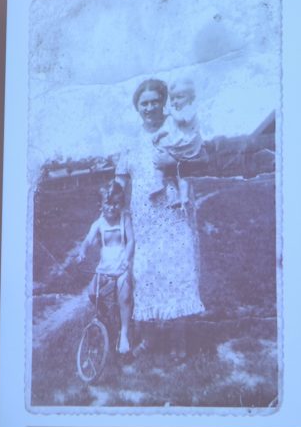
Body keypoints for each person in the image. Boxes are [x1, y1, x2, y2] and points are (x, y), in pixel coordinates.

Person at [117, 79, 205, 341]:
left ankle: (180, 341)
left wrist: (174, 160)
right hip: (144, 215)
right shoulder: (130, 140)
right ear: (137, 107)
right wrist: (112, 204)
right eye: (144, 103)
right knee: (146, 271)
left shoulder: (177, 126)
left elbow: (201, 158)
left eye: (155, 101)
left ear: (164, 102)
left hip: (173, 209)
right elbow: (121, 177)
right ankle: (148, 339)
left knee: (176, 267)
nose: (150, 107)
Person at [76, 180, 134, 354]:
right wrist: (82, 252)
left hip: (122, 265)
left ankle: (124, 333)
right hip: (105, 267)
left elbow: (131, 240)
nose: (112, 207)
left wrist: (127, 258)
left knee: (124, 296)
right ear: (100, 205)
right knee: (93, 293)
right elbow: (87, 240)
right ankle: (107, 319)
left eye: (117, 203)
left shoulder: (125, 219)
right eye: (108, 203)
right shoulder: (99, 223)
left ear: (121, 204)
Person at [148, 78, 207, 208]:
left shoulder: (190, 109)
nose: (175, 102)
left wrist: (171, 112)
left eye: (179, 97)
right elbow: (169, 128)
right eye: (173, 98)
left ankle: (158, 182)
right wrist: (159, 133)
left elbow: (181, 121)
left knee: (157, 160)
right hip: (183, 151)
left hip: (185, 148)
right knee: (182, 172)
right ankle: (183, 197)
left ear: (191, 98)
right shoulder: (176, 114)